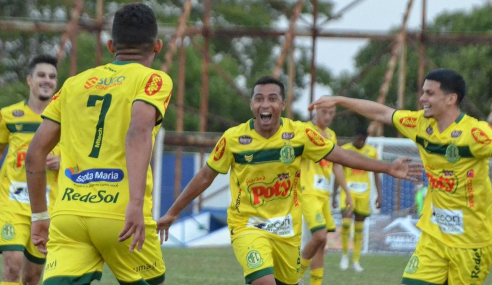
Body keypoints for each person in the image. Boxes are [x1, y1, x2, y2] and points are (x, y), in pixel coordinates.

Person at [157, 76, 421, 285]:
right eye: (259, 99)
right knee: (263, 280)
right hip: (247, 226)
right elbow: (205, 176)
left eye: (272, 99)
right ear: (252, 105)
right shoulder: (234, 139)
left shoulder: (300, 134)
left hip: (286, 232)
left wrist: (387, 167)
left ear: (282, 105)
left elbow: (340, 155)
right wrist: (172, 213)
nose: (265, 104)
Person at [25, 3, 172, 285]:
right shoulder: (153, 79)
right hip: (121, 214)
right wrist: (137, 205)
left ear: (110, 45)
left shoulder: (73, 84)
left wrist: (39, 216)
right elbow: (138, 131)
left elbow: (35, 154)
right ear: (157, 47)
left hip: (68, 216)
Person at [309, 68, 492, 285]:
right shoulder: (421, 124)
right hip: (433, 237)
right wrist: (339, 100)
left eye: (430, 93)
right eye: (423, 92)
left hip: (472, 242)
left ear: (451, 99)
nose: (422, 98)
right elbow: (383, 113)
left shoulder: (474, 134)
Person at [0, 54, 60, 285]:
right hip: (12, 205)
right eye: (41, 75)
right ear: (30, 80)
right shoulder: (8, 116)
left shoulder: (63, 118)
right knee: (12, 266)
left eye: (52, 76)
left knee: (32, 278)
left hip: (46, 208)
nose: (47, 80)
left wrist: (63, 163)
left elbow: (81, 158)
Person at [298, 103, 353, 285]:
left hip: (324, 194)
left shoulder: (331, 135)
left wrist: (347, 192)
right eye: (324, 112)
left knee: (322, 244)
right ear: (316, 112)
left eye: (331, 113)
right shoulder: (305, 130)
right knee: (319, 235)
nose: (328, 116)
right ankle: (295, 277)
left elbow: (336, 164)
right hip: (308, 191)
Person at [336, 128, 382, 272]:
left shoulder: (372, 152)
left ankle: (356, 261)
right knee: (345, 222)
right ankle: (344, 255)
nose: (361, 142)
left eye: (364, 140)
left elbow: (376, 174)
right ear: (354, 137)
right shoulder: (344, 150)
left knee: (359, 227)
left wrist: (379, 195)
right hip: (348, 192)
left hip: (364, 193)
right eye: (359, 139)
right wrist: (333, 194)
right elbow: (338, 172)